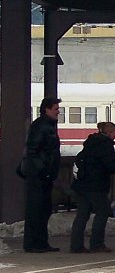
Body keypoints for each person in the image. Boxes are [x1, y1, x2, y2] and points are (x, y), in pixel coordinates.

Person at [70, 122, 115, 254]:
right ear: (109, 133)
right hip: (95, 186)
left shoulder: (91, 143)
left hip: (82, 185)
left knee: (82, 215)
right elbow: (110, 165)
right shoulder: (105, 145)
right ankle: (97, 244)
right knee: (102, 212)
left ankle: (76, 245)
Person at [22, 97, 62, 253]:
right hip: (39, 175)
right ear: (46, 109)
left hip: (44, 174)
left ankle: (41, 243)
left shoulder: (47, 126)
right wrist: (43, 171)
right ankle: (34, 244)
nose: (58, 111)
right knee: (37, 209)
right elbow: (33, 151)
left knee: (43, 209)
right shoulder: (42, 126)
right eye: (55, 108)